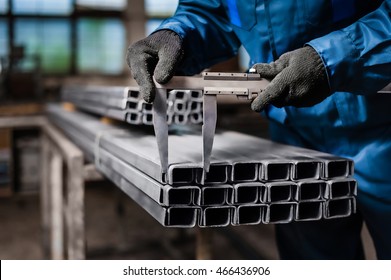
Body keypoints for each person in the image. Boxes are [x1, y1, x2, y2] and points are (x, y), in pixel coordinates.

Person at [126, 0, 391, 259]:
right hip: (294, 136)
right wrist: (176, 35)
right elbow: (211, 11)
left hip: (381, 123)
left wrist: (333, 59)